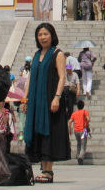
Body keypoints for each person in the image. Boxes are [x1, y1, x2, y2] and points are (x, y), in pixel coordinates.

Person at [22, 23, 71, 183]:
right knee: (39, 133)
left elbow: (62, 77)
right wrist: (25, 98)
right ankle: (43, 170)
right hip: (36, 100)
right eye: (40, 35)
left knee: (48, 133)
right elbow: (30, 78)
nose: (43, 37)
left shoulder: (58, 54)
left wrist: (57, 97)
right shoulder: (36, 55)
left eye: (46, 34)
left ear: (52, 35)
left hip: (50, 99)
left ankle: (48, 171)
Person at [68, 101, 91, 165]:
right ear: (83, 105)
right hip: (84, 130)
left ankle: (78, 154)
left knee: (78, 143)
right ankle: (81, 157)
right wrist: (87, 124)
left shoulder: (74, 113)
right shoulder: (85, 112)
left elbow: (70, 121)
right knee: (84, 144)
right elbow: (88, 119)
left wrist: (70, 130)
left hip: (76, 130)